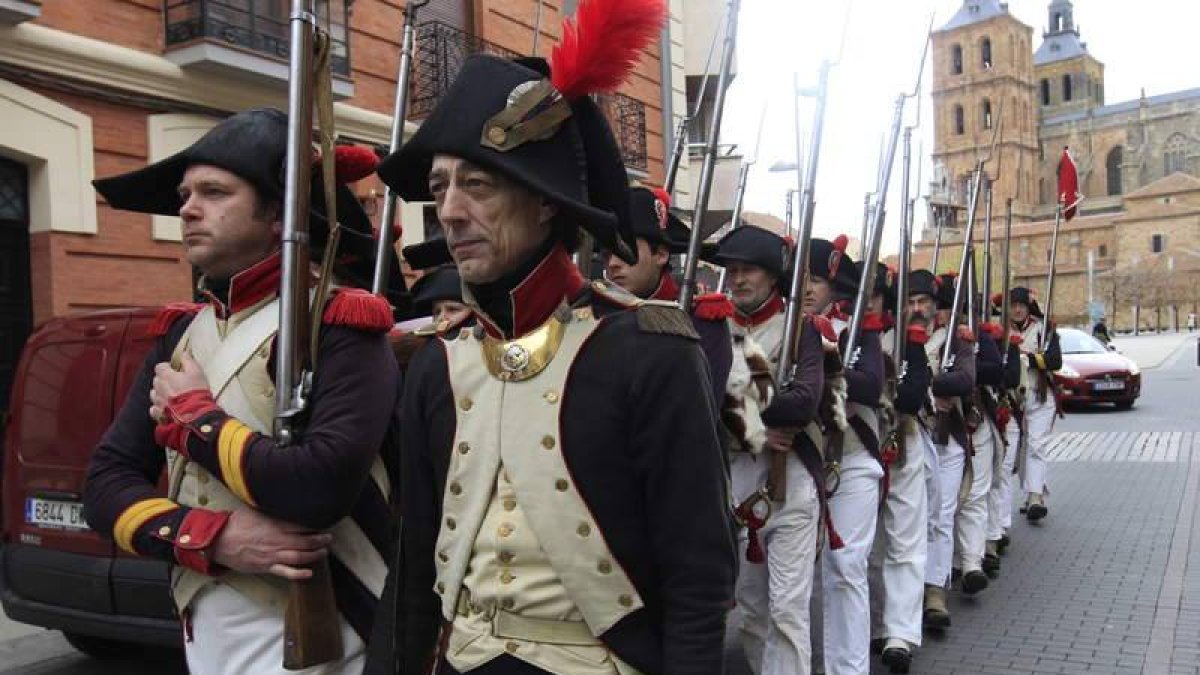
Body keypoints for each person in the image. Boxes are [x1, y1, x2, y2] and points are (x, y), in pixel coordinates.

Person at [366, 2, 737, 671]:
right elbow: (413, 573)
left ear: (545, 200)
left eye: (476, 184)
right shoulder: (435, 364)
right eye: (440, 186)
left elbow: (698, 580)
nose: (449, 211)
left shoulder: (649, 351)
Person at [83, 108, 404, 674]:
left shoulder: (337, 322)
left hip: (328, 623)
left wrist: (194, 418)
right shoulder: (182, 333)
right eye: (186, 193)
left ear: (278, 213)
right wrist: (211, 537)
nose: (187, 208)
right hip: (202, 615)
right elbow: (105, 481)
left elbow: (320, 487)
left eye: (214, 192)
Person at [710, 224, 827, 675]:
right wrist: (752, 430)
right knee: (754, 613)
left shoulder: (804, 329)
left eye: (748, 271)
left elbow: (804, 402)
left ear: (773, 275)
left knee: (788, 612)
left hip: (791, 482)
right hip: (737, 479)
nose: (738, 279)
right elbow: (699, 398)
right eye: (733, 270)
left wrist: (733, 406)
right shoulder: (714, 328)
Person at [802, 236, 886, 675]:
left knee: (846, 567)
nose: (809, 287)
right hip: (796, 463)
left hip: (850, 459)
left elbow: (871, 386)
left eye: (817, 279)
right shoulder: (782, 326)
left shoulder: (857, 329)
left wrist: (825, 366)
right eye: (803, 277)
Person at [602, 184, 735, 405]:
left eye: (625, 251)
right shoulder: (597, 315)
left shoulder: (702, 320)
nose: (613, 264)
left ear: (661, 255)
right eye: (607, 255)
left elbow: (704, 405)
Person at [869, 264, 934, 674]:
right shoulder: (837, 330)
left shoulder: (905, 339)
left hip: (900, 443)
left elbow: (911, 396)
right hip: (854, 450)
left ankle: (900, 634)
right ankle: (877, 623)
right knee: (866, 549)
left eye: (874, 297)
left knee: (905, 544)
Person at [917, 271, 975, 631]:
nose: (917, 308)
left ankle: (935, 589)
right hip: (911, 435)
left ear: (936, 306)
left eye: (923, 301)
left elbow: (964, 379)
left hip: (947, 435)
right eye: (911, 301)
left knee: (941, 514)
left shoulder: (955, 339)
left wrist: (926, 381)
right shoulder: (893, 337)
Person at [1007, 287, 1062, 521]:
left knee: (1037, 445)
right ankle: (1028, 492)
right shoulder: (1001, 329)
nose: (1017, 309)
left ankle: (1036, 496)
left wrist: (1027, 358)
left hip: (1038, 392)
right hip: (1011, 396)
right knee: (1016, 449)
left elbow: (1054, 360)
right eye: (1013, 305)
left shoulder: (1044, 329)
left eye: (1021, 305)